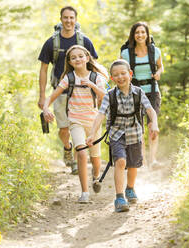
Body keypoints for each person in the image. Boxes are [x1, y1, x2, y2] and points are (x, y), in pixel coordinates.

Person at [86, 59, 159, 212]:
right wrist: (92, 134)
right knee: (120, 161)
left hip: (135, 133)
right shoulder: (109, 96)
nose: (120, 77)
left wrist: (155, 124)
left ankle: (130, 188)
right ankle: (119, 198)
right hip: (116, 134)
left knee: (133, 165)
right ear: (112, 78)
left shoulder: (139, 93)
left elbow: (150, 109)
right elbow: (100, 115)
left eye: (123, 73)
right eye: (116, 75)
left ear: (130, 74)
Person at [38, 6, 98, 174]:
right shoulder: (51, 42)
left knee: (85, 125)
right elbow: (43, 69)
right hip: (61, 90)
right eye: (65, 18)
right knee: (64, 128)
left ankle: (84, 159)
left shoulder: (84, 41)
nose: (69, 21)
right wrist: (43, 96)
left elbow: (94, 66)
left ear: (76, 20)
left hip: (83, 92)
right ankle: (67, 149)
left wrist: (99, 89)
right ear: (61, 19)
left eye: (72, 18)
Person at [43, 45, 107, 203]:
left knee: (95, 157)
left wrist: (92, 86)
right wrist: (45, 108)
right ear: (70, 62)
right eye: (73, 58)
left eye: (80, 56)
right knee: (82, 153)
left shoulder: (96, 77)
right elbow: (53, 96)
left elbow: (106, 97)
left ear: (87, 58)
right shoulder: (69, 78)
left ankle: (96, 176)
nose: (77, 59)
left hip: (93, 121)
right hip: (75, 119)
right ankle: (84, 192)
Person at [120, 22, 164, 166]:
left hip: (152, 91)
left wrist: (158, 73)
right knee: (139, 127)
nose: (140, 35)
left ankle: (153, 159)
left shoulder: (155, 51)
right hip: (134, 92)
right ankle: (143, 160)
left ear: (147, 34)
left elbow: (160, 66)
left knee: (153, 125)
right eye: (137, 32)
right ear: (133, 35)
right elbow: (121, 71)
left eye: (143, 32)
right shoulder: (126, 54)